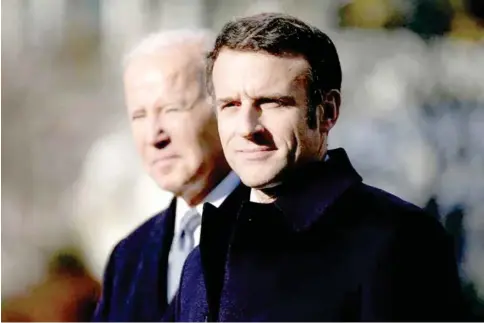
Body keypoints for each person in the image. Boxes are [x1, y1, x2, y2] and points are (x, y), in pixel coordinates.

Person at [164, 13, 468, 321]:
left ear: (328, 112)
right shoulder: (204, 254)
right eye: (230, 105)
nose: (246, 127)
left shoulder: (399, 240)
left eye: (271, 103)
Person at [91, 29, 243, 322]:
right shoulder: (128, 258)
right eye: (139, 115)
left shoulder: (282, 233)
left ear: (226, 107)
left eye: (171, 109)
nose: (154, 136)